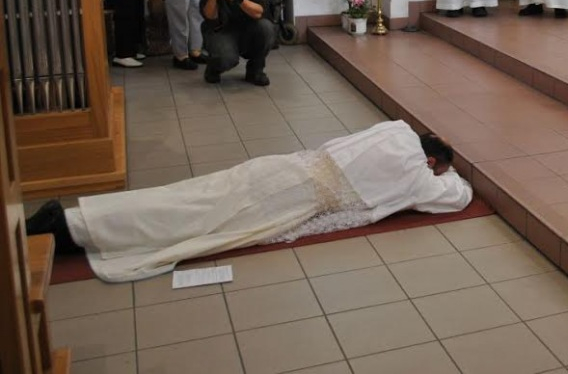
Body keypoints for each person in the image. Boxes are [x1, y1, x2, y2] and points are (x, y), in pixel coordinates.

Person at [25, 120, 473, 282]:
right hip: (292, 198)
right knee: (198, 219)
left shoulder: (395, 129)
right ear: (432, 161)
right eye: (439, 167)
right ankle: (74, 228)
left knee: (192, 195)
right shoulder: (419, 178)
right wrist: (446, 173)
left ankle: (78, 219)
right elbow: (460, 196)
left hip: (281, 166)